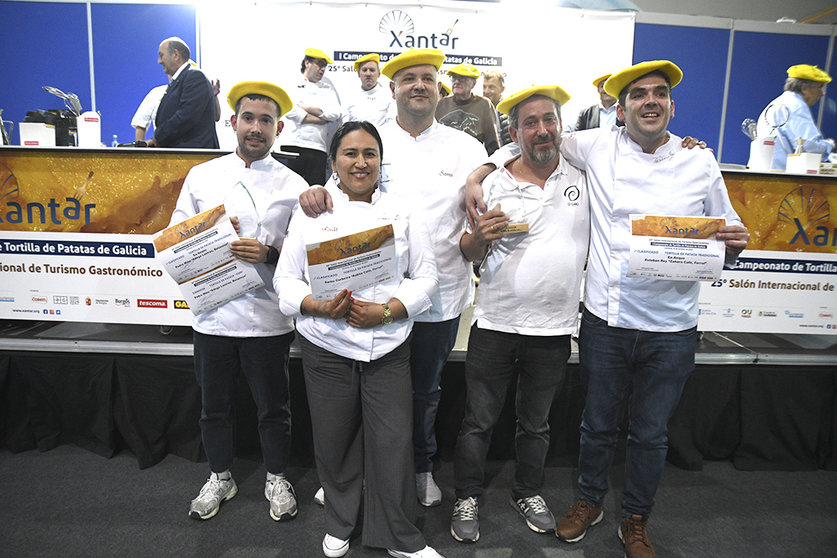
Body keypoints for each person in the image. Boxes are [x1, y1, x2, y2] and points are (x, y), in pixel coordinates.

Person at [465, 60, 750, 558]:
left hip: (672, 325)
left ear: (671, 105)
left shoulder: (699, 161)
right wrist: (479, 173)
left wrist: (734, 244)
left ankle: (636, 519)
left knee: (650, 432)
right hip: (608, 319)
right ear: (620, 109)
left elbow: (726, 232)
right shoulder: (593, 146)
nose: (650, 102)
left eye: (659, 94)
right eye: (639, 95)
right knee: (596, 424)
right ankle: (589, 501)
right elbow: (529, 139)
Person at [298, 48, 488, 510]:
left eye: (427, 78)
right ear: (393, 88)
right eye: (408, 79)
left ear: (439, 87)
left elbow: (488, 185)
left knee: (423, 391)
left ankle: (420, 466)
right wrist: (315, 191)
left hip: (437, 293)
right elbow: (338, 194)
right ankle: (350, 473)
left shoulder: (466, 148)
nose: (418, 86)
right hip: (367, 295)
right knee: (362, 388)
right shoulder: (371, 141)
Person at [276, 120, 442, 558]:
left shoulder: (403, 211)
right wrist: (315, 305)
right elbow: (286, 280)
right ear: (333, 161)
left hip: (387, 346)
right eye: (350, 153)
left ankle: (400, 537)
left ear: (380, 161)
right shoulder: (313, 211)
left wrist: (387, 311)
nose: (360, 162)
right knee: (334, 439)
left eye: (370, 153)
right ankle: (340, 522)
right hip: (327, 344)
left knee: (392, 442)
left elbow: (426, 277)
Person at [450, 85, 588, 544]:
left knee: (536, 423)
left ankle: (527, 491)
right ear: (515, 131)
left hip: (555, 328)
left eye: (549, 120)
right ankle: (466, 494)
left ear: (561, 125)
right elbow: (468, 251)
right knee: (478, 420)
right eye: (530, 122)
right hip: (495, 323)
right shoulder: (492, 182)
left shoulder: (584, 174)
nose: (542, 130)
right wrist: (480, 236)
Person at [170, 80, 307, 522]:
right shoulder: (203, 176)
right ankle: (220, 476)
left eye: (265, 120)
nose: (256, 127)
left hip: (268, 317)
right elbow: (175, 238)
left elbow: (308, 252)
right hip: (213, 316)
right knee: (214, 408)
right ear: (232, 122)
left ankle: (277, 477)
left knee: (274, 408)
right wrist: (209, 233)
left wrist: (268, 253)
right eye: (248, 118)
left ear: (279, 127)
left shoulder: (295, 184)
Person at [753, 64, 834, 170]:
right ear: (804, 88)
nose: (821, 94)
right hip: (782, 178)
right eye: (819, 88)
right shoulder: (797, 107)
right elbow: (808, 147)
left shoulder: (779, 103)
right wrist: (828, 145)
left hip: (763, 173)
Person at [280, 48, 342, 185]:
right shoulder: (292, 84)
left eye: (324, 66)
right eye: (319, 64)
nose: (322, 69)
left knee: (315, 193)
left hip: (317, 148)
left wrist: (306, 108)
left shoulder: (327, 88)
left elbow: (335, 113)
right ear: (307, 63)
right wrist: (321, 119)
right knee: (288, 190)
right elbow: (289, 110)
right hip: (292, 145)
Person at [148, 37, 219, 148]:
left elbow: (185, 117)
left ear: (176, 55)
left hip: (192, 156)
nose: (159, 61)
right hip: (181, 156)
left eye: (161, 55)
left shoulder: (194, 77)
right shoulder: (181, 79)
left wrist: (157, 138)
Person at [133, 75, 222, 142]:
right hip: (163, 150)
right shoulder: (156, 93)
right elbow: (141, 123)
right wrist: (140, 156)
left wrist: (213, 96)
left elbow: (216, 117)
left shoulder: (199, 93)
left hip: (193, 149)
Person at [436, 63, 500, 154]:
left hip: (472, 161)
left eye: (462, 78)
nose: (457, 82)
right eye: (454, 78)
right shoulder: (442, 104)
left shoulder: (484, 105)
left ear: (473, 84)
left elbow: (492, 144)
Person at [342, 53, 394, 128]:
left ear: (379, 73)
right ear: (358, 73)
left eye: (372, 70)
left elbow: (391, 124)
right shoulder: (350, 97)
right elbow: (344, 124)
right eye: (364, 70)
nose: (368, 74)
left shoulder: (388, 96)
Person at [482, 71, 511, 146]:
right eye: (484, 87)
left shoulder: (509, 112)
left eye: (491, 87)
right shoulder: (478, 110)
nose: (486, 91)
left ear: (502, 89)